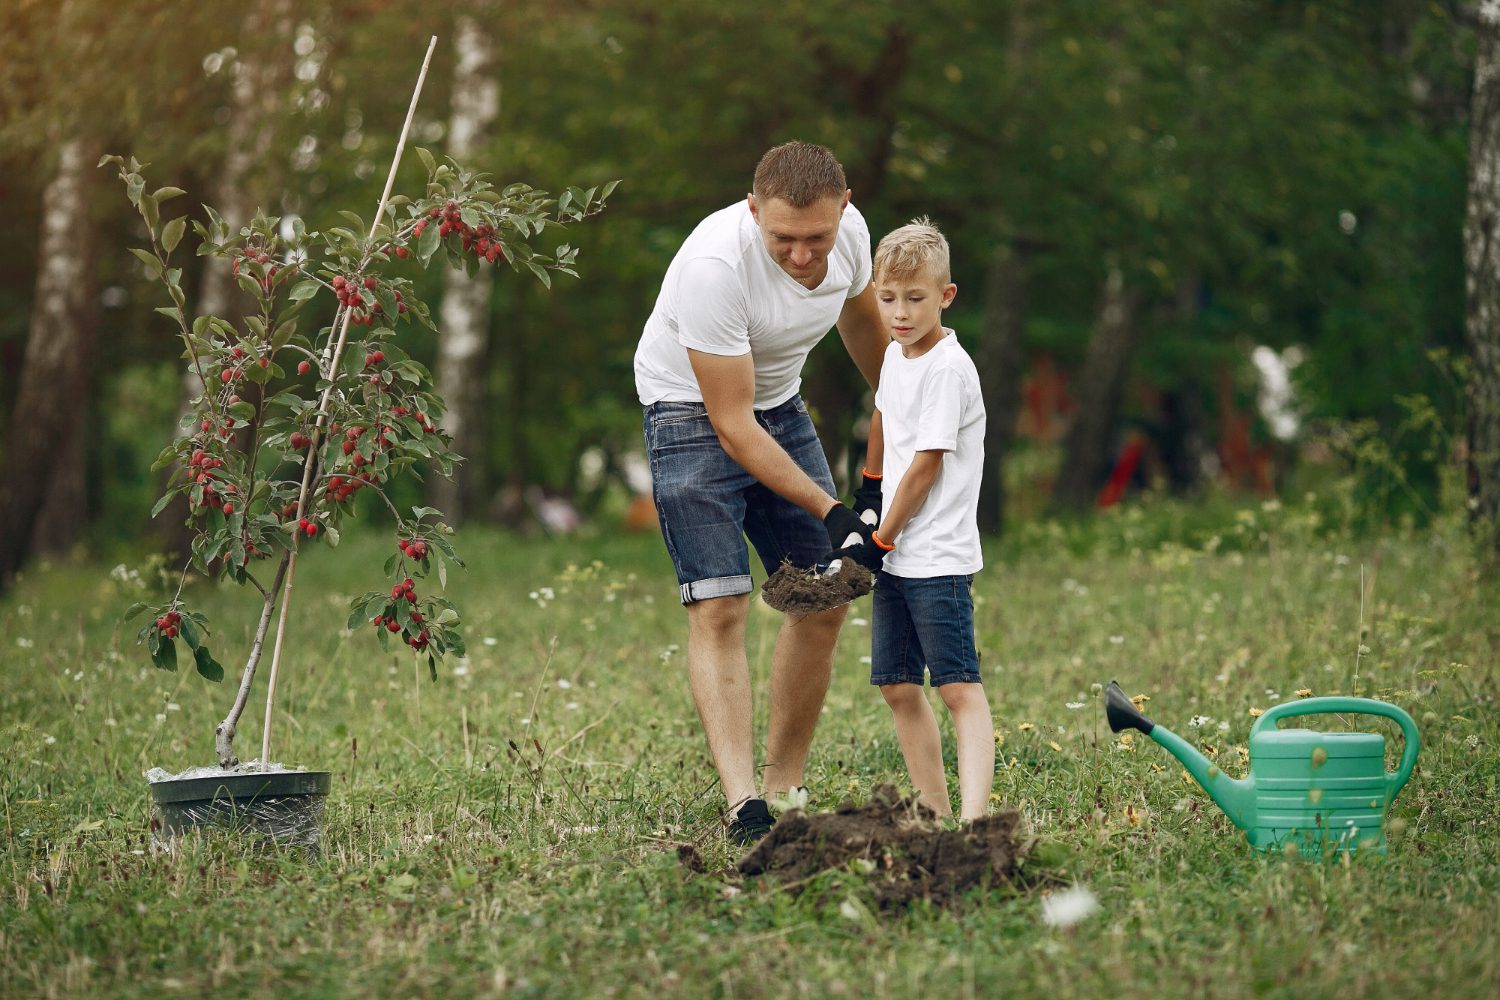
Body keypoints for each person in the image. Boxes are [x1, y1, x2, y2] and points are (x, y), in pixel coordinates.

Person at [634, 141, 889, 844]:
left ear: (846, 210)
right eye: (785, 239)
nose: (804, 256)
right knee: (721, 605)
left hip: (776, 403)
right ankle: (744, 805)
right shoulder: (715, 267)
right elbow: (732, 427)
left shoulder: (852, 237)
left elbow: (865, 327)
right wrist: (832, 508)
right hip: (691, 410)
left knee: (824, 596)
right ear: (753, 213)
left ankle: (784, 789)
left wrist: (915, 404)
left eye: (818, 238)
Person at [859, 217, 994, 821]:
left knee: (958, 688)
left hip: (935, 552)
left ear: (946, 295)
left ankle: (974, 822)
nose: (901, 312)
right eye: (888, 299)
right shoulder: (895, 355)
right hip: (894, 550)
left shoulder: (947, 368)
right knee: (896, 685)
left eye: (916, 298)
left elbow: (926, 465)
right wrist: (867, 496)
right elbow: (883, 420)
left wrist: (881, 536)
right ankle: (934, 816)